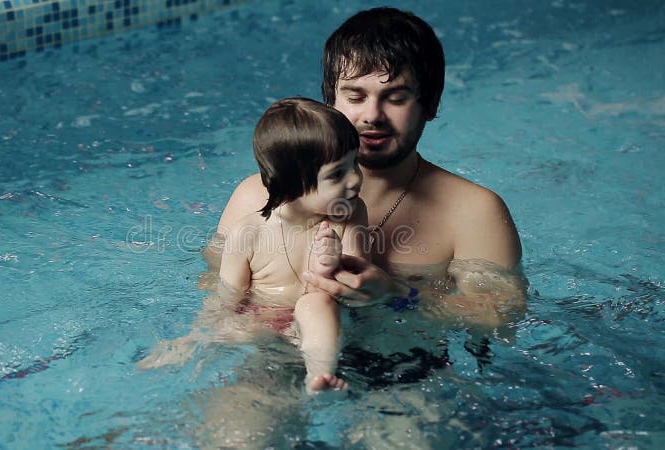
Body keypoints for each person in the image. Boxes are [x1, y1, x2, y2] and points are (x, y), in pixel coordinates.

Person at [212, 7, 525, 325]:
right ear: (329, 100)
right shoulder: (257, 197)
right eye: (356, 96)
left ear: (429, 103)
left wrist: (396, 294)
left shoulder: (474, 212)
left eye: (395, 98)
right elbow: (214, 290)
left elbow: (501, 318)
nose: (372, 115)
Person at [142, 97, 369, 394]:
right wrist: (197, 335)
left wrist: (334, 263)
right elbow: (227, 295)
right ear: (291, 184)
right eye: (338, 174)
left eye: (355, 163)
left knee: (316, 304)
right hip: (259, 321)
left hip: (314, 324)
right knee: (224, 330)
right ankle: (192, 352)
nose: (355, 179)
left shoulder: (349, 215)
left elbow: (355, 284)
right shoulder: (248, 232)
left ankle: (320, 375)